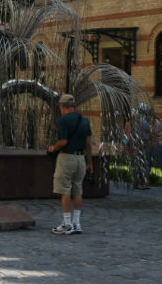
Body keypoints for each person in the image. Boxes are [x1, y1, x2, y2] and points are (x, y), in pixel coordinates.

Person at [48, 94, 93, 235]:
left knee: (65, 190)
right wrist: (90, 162)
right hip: (81, 159)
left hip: (67, 158)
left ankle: (67, 224)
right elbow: (88, 144)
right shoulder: (84, 120)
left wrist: (53, 148)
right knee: (78, 190)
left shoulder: (64, 120)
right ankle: (77, 223)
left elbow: (63, 141)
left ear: (62, 106)